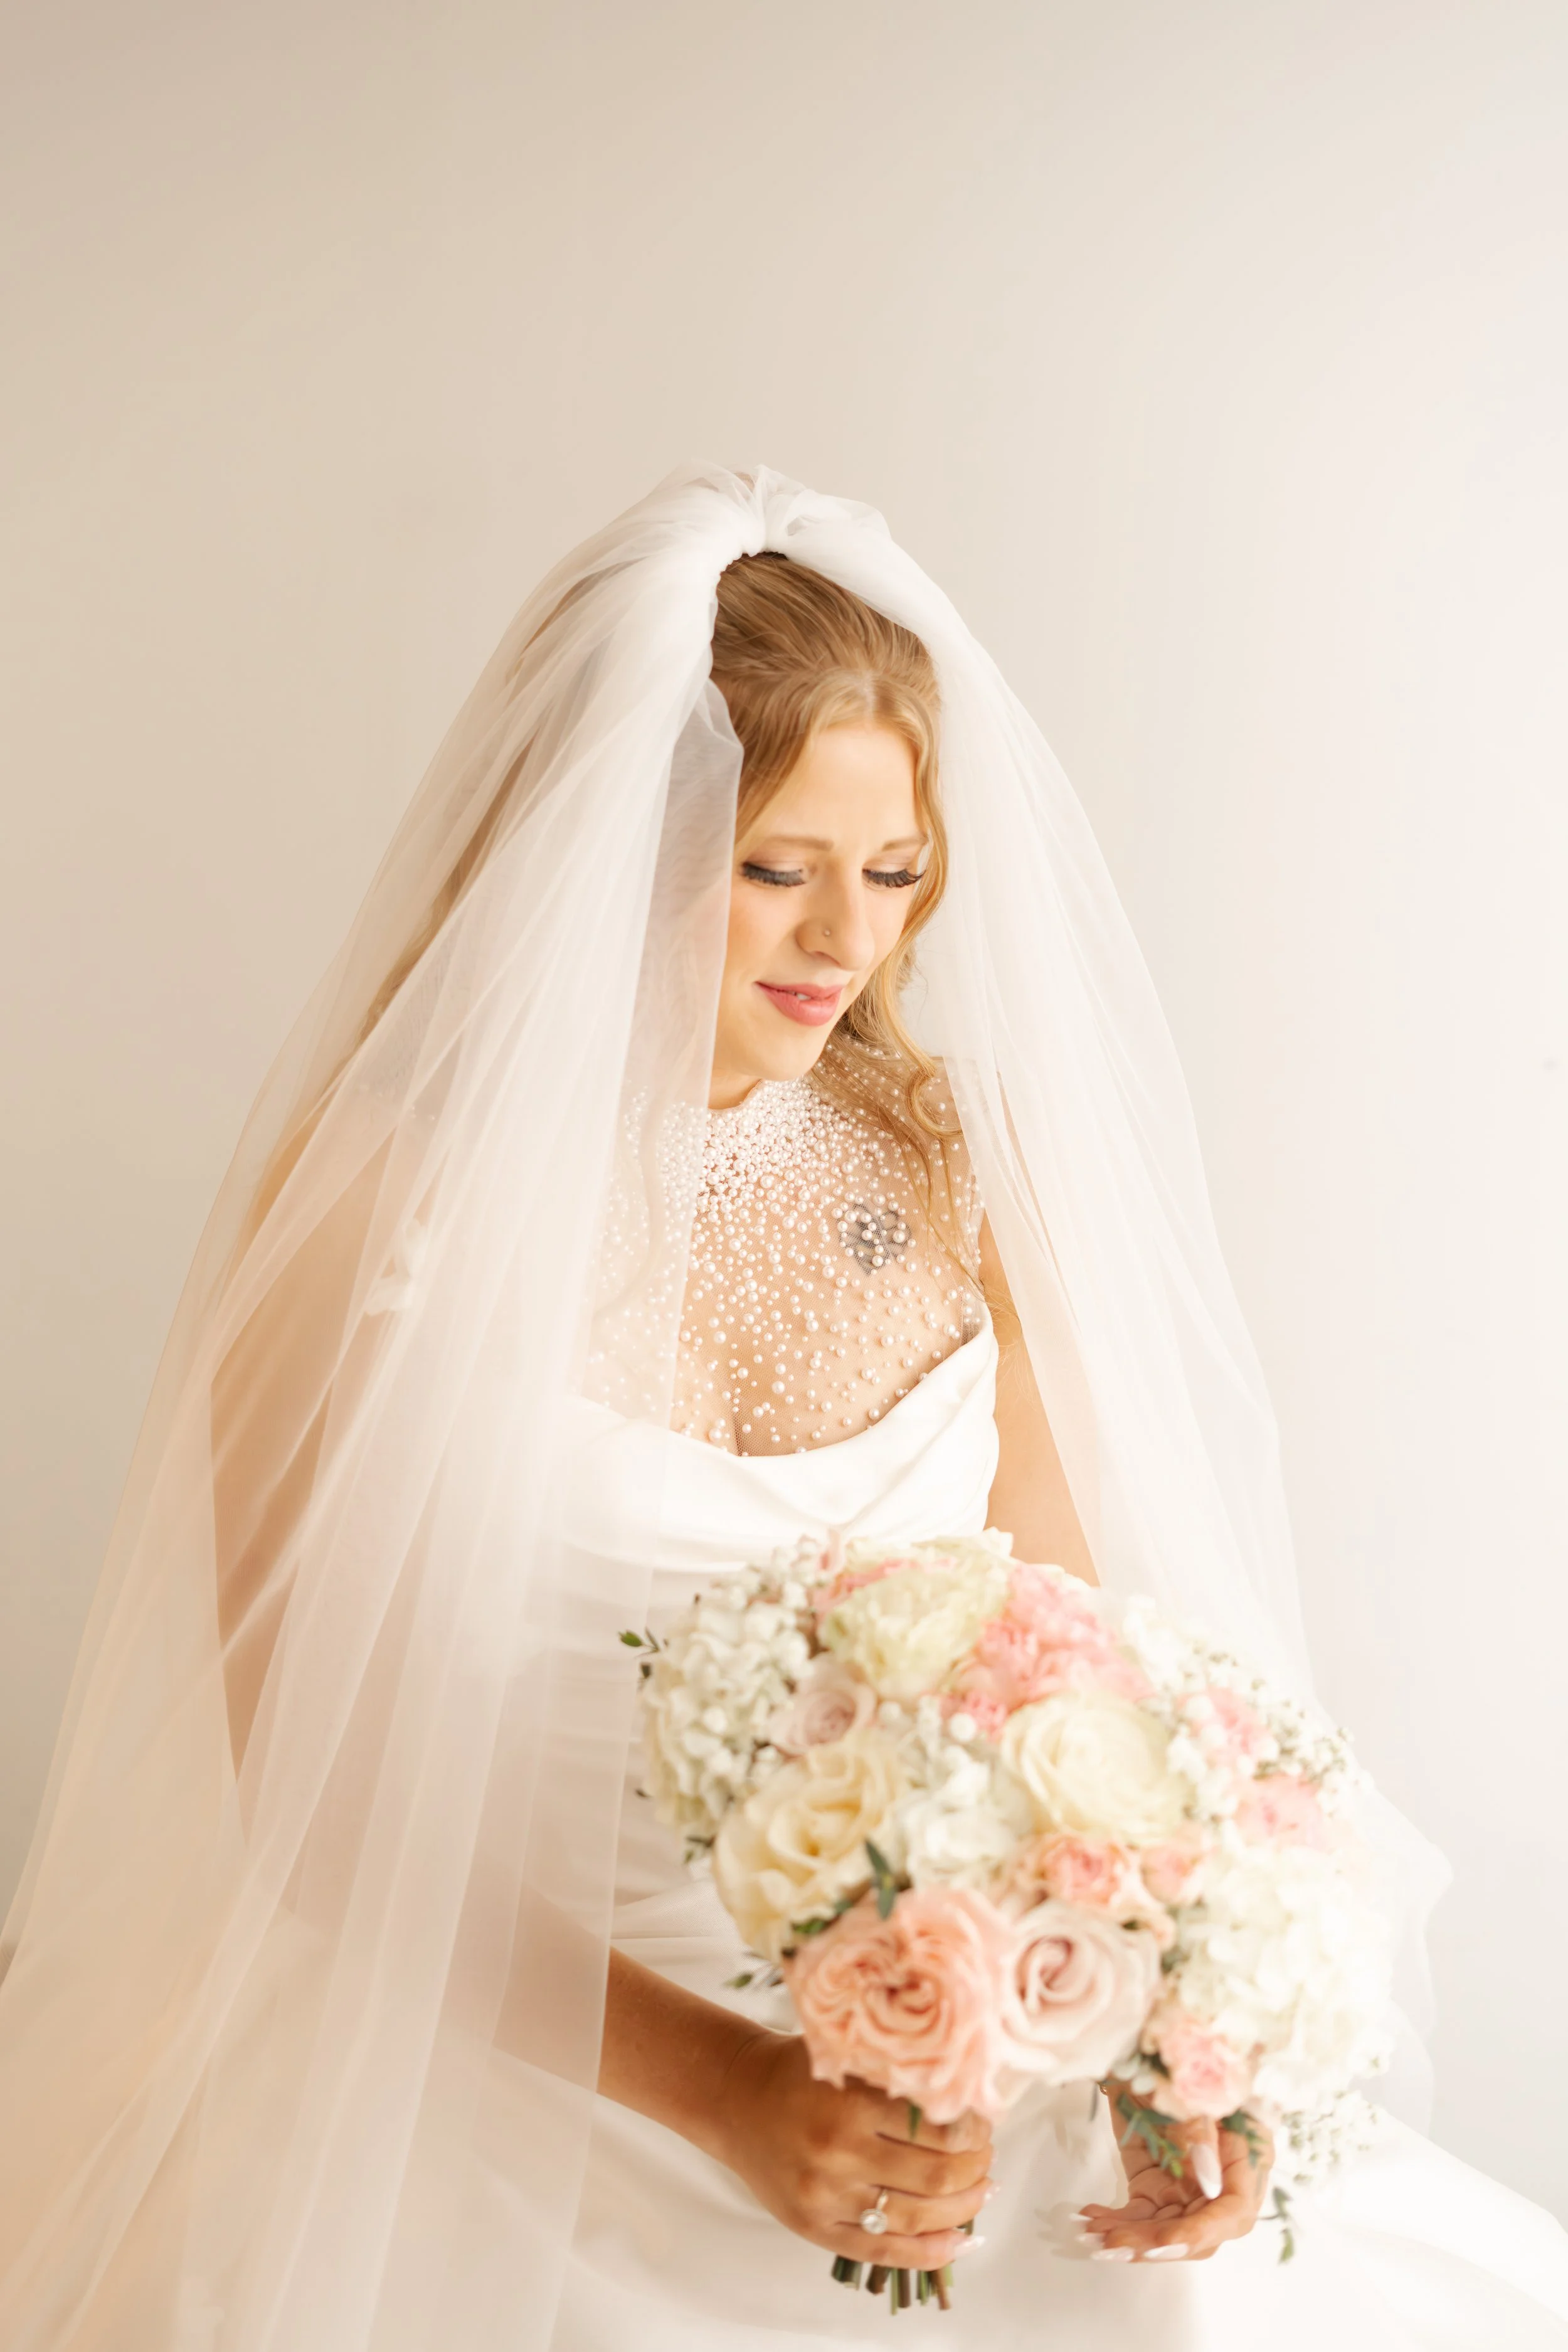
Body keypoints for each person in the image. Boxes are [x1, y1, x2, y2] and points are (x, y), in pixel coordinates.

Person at [1, 466, 1564, 2350]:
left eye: (893, 872)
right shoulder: (383, 1193)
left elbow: (1082, 1684)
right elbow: (318, 1797)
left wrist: (1164, 2044)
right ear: (606, 846)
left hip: (950, 2069)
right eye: (773, 866)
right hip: (521, 2074)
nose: (843, 939)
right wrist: (732, 2090)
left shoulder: (964, 1162)